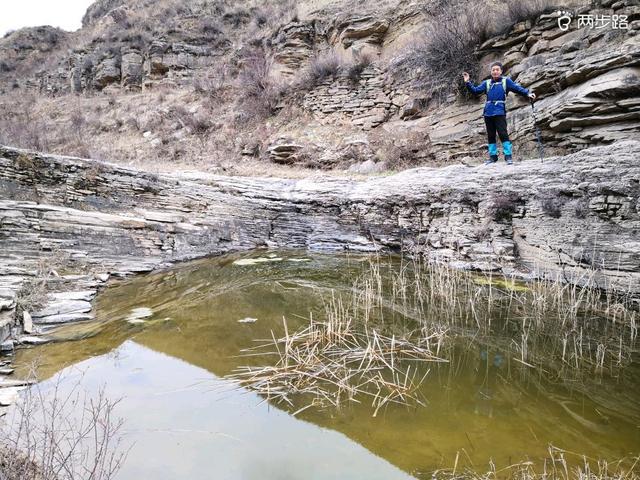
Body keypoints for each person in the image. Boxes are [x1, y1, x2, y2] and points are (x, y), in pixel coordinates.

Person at [462, 62, 536, 165]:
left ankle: (508, 156)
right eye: (493, 70)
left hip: (500, 111)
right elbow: (475, 91)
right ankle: (493, 157)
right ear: (491, 72)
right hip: (488, 112)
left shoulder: (506, 81)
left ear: (501, 71)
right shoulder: (486, 83)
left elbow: (517, 88)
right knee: (491, 135)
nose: (495, 71)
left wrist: (528, 93)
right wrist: (467, 82)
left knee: (503, 134)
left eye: (497, 69)